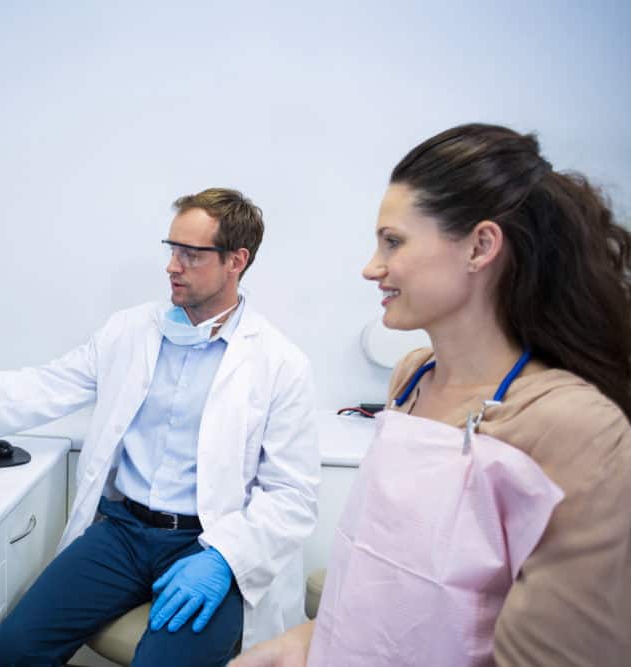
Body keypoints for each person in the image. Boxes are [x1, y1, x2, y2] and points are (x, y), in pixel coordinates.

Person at [231, 124, 631, 667]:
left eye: (393, 241)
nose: (371, 267)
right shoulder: (414, 378)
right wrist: (302, 644)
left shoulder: (572, 425)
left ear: (480, 246)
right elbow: (381, 592)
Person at [0, 188, 320, 666]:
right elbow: (51, 384)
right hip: (124, 533)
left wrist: (222, 558)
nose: (173, 266)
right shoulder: (129, 330)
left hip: (211, 544)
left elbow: (291, 495)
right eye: (172, 250)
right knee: (11, 653)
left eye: (191, 254)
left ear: (237, 260)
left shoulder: (280, 363)